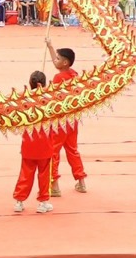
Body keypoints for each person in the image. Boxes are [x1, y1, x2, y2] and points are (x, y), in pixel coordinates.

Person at [44, 39, 87, 195]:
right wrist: (50, 47)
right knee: (72, 150)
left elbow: (52, 98)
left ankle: (54, 185)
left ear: (65, 62)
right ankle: (81, 182)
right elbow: (57, 62)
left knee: (54, 152)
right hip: (72, 120)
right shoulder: (74, 75)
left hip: (60, 120)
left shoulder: (58, 78)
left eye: (59, 59)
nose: (56, 61)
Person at [13, 70, 54, 214]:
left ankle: (19, 201)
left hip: (28, 145)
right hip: (45, 146)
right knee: (44, 175)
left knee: (25, 174)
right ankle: (43, 202)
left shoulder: (24, 102)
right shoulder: (50, 101)